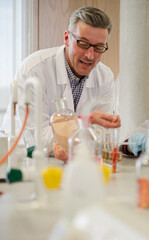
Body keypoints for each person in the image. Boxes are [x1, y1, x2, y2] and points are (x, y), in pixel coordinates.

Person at [1, 7, 121, 156]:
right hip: (26, 158)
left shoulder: (105, 77)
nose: (90, 55)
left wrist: (77, 134)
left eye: (99, 47)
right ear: (67, 39)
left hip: (79, 161)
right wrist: (86, 121)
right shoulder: (34, 70)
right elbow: (38, 139)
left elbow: (100, 138)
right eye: (83, 43)